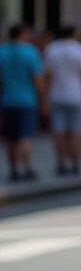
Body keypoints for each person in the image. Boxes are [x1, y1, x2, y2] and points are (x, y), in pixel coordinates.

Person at [43, 25, 81, 176]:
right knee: (77, 131)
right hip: (76, 95)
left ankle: (61, 163)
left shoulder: (52, 49)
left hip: (57, 94)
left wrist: (45, 97)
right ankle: (75, 163)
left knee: (59, 131)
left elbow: (48, 75)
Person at [0, 24, 45, 181]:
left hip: (7, 100)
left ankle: (13, 168)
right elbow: (37, 79)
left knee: (10, 137)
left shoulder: (2, 52)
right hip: (27, 100)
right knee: (25, 136)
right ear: (22, 34)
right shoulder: (30, 52)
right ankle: (25, 167)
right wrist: (43, 98)